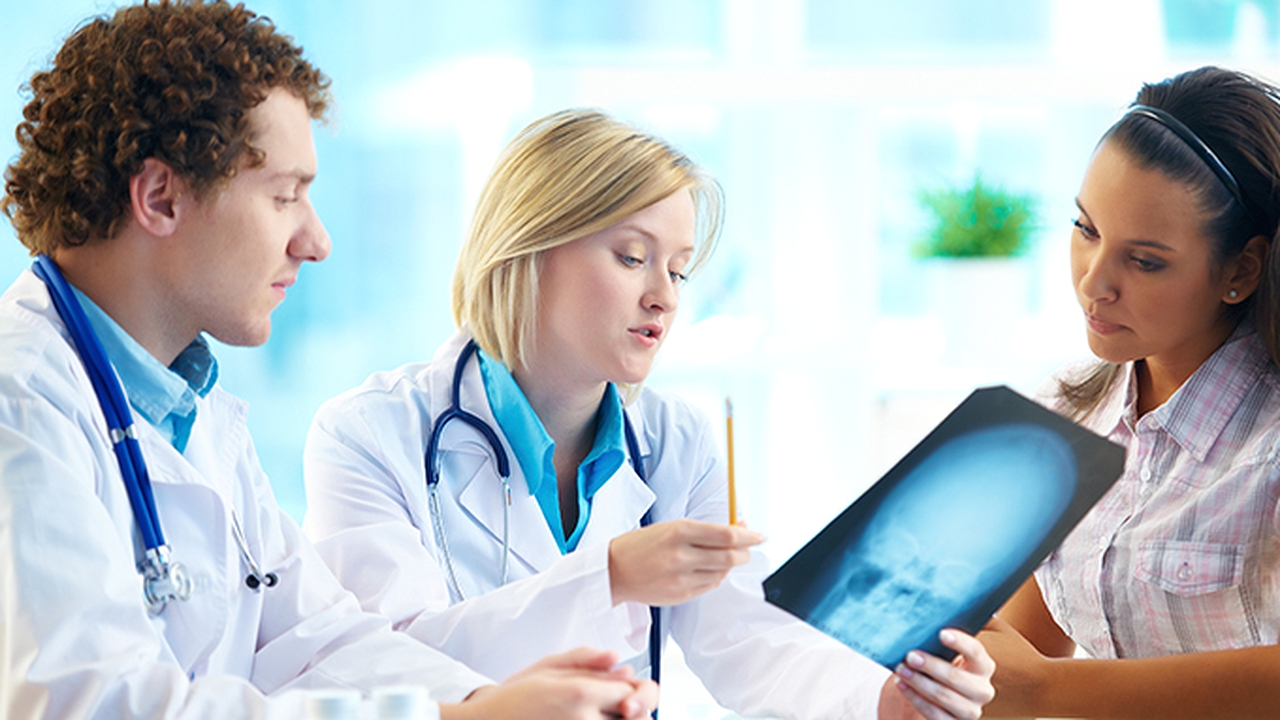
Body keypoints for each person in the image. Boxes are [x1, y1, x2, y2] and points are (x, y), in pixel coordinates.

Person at [0, 3, 658, 718]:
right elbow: (91, 703)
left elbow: (318, 641)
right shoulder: (21, 401)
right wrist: (455, 719)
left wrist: (492, 700)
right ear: (160, 198)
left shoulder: (187, 409)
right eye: (285, 196)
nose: (316, 242)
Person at [302, 107, 995, 720]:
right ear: (529, 248)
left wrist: (885, 699)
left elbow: (747, 637)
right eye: (633, 257)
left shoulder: (675, 442)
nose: (664, 296)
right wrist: (609, 578)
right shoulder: (369, 435)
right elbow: (382, 669)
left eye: (679, 269)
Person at [978, 66, 1280, 719]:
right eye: (1086, 229)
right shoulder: (1066, 412)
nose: (1094, 283)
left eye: (1144, 261)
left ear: (1241, 268)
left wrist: (1045, 688)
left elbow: (1036, 683)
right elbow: (1022, 658)